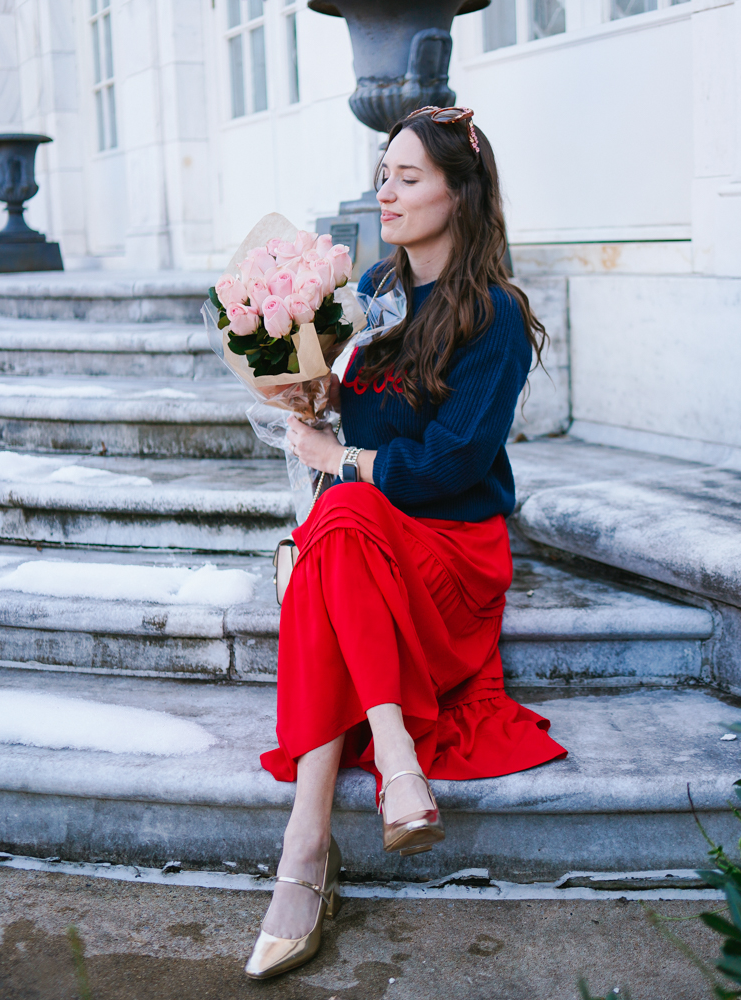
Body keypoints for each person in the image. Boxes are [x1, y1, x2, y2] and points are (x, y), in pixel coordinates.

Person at [244, 107, 567, 980]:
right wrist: (311, 402)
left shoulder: (494, 315)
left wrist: (338, 457)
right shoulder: (370, 302)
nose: (387, 191)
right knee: (338, 522)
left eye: (410, 177)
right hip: (371, 541)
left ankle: (307, 861)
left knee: (335, 522)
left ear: (460, 195)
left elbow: (454, 461)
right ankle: (384, 773)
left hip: (452, 551)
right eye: (385, 173)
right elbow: (360, 433)